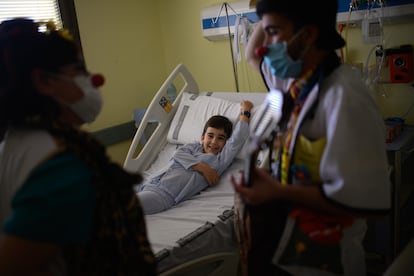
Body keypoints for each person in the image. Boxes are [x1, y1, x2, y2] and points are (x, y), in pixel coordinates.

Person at [231, 0, 391, 275]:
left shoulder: (345, 96)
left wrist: (278, 192)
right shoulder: (296, 83)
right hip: (282, 251)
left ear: (307, 36)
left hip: (323, 262)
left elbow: (363, 200)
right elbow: (253, 55)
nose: (263, 45)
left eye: (273, 32)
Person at [0, 18, 156, 275]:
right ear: (44, 81)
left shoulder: (15, 143)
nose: (95, 80)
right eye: (79, 70)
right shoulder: (62, 167)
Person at [137, 102, 253, 215]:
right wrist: (202, 168)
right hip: (150, 183)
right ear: (203, 138)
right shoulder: (194, 147)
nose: (214, 142)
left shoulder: (219, 160)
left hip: (164, 195)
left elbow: (238, 138)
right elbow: (178, 154)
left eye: (220, 138)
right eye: (210, 136)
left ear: (226, 142)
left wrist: (245, 111)